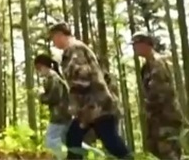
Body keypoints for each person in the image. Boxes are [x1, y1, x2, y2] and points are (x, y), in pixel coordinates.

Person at [48, 22, 131, 159]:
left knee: (110, 141)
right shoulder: (73, 49)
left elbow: (83, 77)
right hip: (90, 106)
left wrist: (74, 105)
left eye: (53, 37)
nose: (53, 42)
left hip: (96, 105)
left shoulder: (74, 49)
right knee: (74, 137)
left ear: (60, 35)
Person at [132, 32, 183, 160]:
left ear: (146, 44)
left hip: (166, 118)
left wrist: (149, 106)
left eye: (137, 44)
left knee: (169, 154)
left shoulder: (158, 63)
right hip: (155, 121)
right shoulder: (146, 67)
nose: (134, 47)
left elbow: (161, 92)